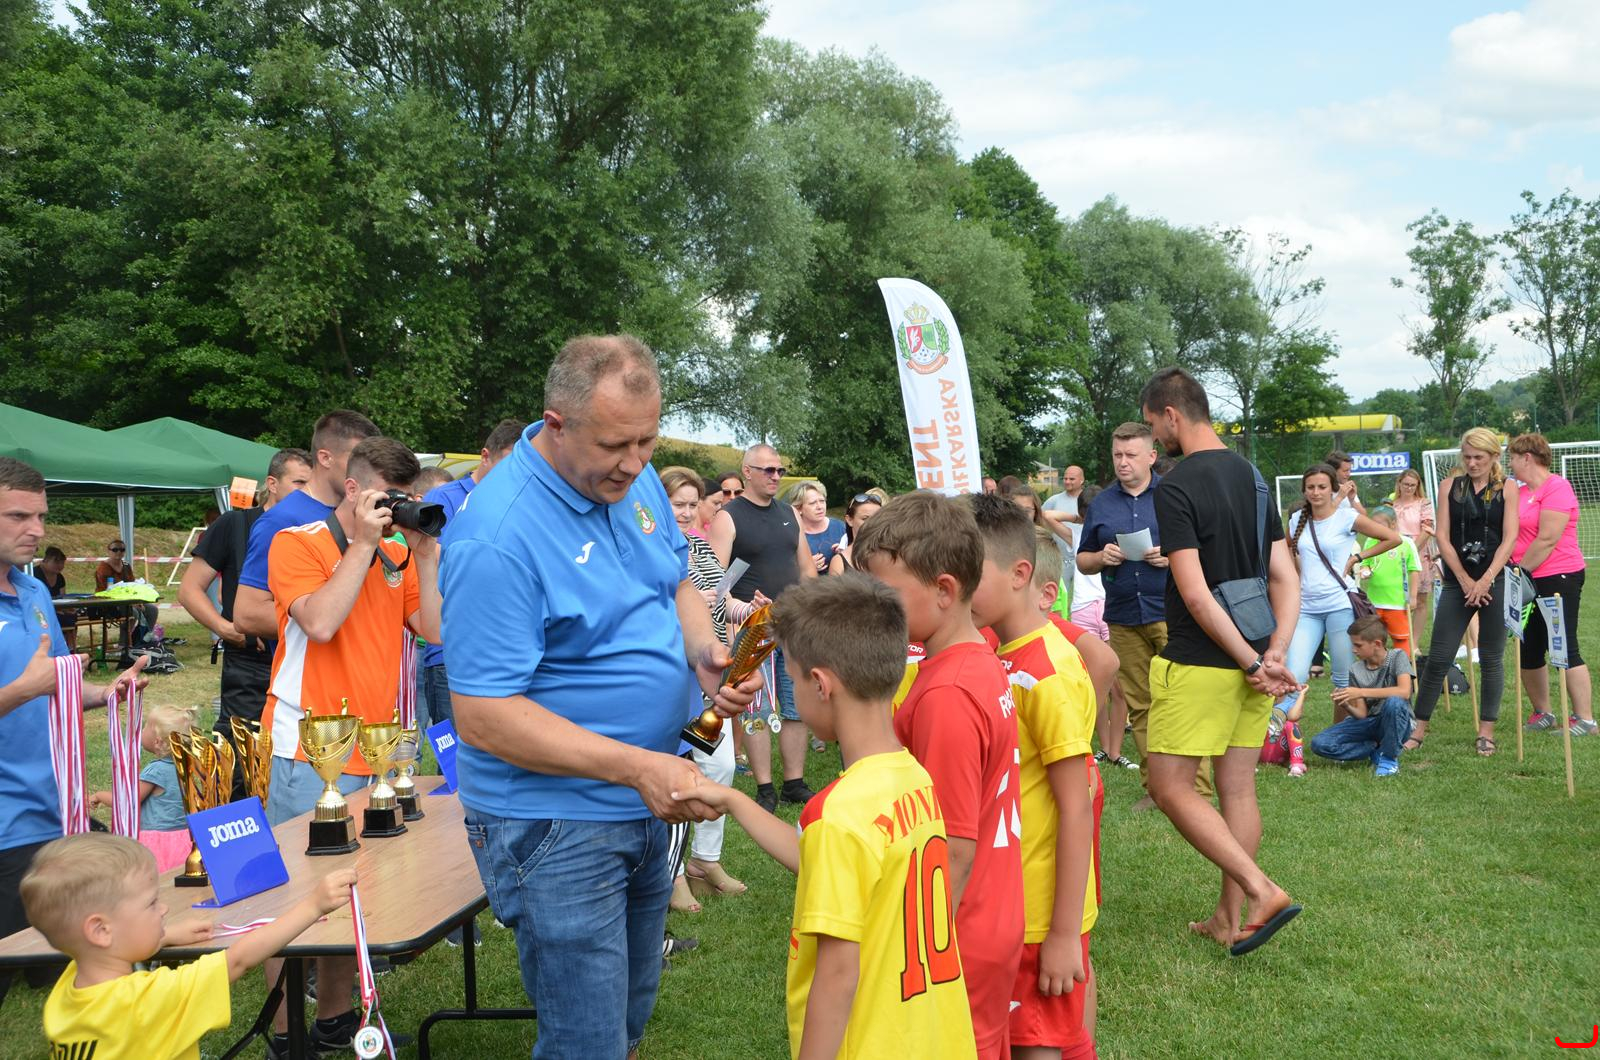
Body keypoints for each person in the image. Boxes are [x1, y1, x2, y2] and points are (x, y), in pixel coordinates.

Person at [440, 335, 759, 1059]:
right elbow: (483, 717)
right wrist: (638, 768)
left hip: (645, 797)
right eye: (616, 444)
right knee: (586, 1041)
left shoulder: (629, 480)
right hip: (556, 821)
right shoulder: (497, 536)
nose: (636, 463)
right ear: (556, 424)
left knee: (628, 1019)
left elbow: (676, 578)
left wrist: (704, 655)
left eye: (648, 441)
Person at [671, 574, 978, 1058]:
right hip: (929, 1037)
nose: (794, 689)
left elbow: (837, 976)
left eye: (793, 679)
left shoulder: (839, 815)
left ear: (819, 685)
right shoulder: (913, 776)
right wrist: (732, 799)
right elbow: (819, 861)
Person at [257, 436, 441, 1058]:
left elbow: (435, 630)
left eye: (405, 500)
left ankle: (335, 1017)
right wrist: (362, 545)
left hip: (375, 745)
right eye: (389, 498)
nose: (396, 510)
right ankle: (288, 1032)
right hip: (310, 746)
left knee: (348, 886)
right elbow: (320, 622)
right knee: (296, 893)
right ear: (355, 489)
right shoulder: (298, 542)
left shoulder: (397, 551)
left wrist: (426, 555)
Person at [853, 491, 1023, 1060]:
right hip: (996, 909)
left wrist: (918, 954)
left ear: (945, 590)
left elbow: (952, 847)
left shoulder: (947, 693)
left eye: (885, 595)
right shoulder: (978, 659)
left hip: (958, 933)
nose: (873, 608)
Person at [1139, 367, 1302, 956]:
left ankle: (1261, 891)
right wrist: (1272, 650)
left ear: (1172, 415)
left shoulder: (1175, 486)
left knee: (1169, 786)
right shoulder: (1253, 477)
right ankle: (1228, 919)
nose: (1155, 439)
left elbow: (1196, 595)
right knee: (1237, 789)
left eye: (1153, 426)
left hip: (1202, 662)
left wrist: (1254, 663)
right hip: (1254, 655)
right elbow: (1285, 577)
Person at [0, 456, 149, 1006]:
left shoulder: (35, 592)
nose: (36, 530)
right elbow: (33, 686)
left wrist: (109, 693)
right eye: (19, 516)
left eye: (40, 516)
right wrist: (23, 689)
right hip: (5, 827)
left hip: (58, 814)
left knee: (69, 978)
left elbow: (58, 686)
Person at [21, 832, 357, 1060]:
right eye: (151, 904)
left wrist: (163, 935)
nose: (163, 909)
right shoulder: (148, 1001)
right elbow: (238, 960)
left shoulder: (67, 991)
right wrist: (313, 905)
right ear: (101, 930)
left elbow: (103, 952)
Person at [967, 496, 1101, 1059]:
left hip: (1041, 913)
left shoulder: (1049, 671)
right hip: (1008, 900)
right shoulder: (1002, 652)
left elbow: (1076, 805)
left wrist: (1064, 933)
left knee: (1038, 1044)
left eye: (969, 573)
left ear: (1020, 575)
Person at [660, 466, 756, 912]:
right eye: (676, 503)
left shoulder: (699, 546)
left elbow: (721, 597)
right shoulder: (649, 546)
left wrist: (747, 610)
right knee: (677, 774)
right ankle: (672, 875)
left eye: (690, 503)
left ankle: (705, 859)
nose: (684, 511)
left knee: (718, 766)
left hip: (710, 676)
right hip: (669, 677)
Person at [178, 447, 312, 750]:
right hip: (251, 663)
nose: (307, 492)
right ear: (272, 483)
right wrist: (225, 629)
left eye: (311, 484)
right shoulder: (235, 524)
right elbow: (189, 590)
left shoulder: (316, 530)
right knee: (245, 757)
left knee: (300, 752)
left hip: (305, 660)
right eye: (299, 483)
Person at [709, 442, 817, 813]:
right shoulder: (729, 517)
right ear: (748, 472)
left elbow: (807, 568)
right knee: (755, 708)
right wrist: (740, 613)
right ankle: (765, 787)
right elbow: (715, 582)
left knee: (796, 704)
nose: (776, 476)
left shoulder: (789, 512)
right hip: (751, 627)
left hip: (792, 624)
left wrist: (808, 606)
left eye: (780, 470)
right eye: (768, 470)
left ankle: (794, 782)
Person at [1076, 422, 1181, 797]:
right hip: (1122, 616)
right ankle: (1157, 790)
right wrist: (1100, 557)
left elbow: (1201, 550)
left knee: (1180, 701)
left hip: (1171, 614)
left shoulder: (1172, 494)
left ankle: (1193, 789)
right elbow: (1082, 560)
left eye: (1131, 455)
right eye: (1117, 455)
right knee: (1140, 705)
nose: (1123, 462)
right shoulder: (1102, 503)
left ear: (1151, 456)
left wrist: (1170, 557)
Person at [1410, 428, 1521, 757]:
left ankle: (1486, 731)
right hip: (1457, 583)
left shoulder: (1508, 488)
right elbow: (1442, 537)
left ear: (1494, 457)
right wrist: (1464, 579)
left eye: (1479, 457)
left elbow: (1509, 538)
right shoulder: (1450, 486)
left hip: (1495, 580)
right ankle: (1418, 728)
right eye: (1467, 457)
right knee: (1439, 657)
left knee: (1491, 658)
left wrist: (1485, 580)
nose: (1472, 463)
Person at [230, 410, 381, 640]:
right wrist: (331, 619)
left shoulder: (364, 513)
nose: (366, 471)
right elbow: (247, 615)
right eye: (356, 460)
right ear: (325, 458)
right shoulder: (281, 519)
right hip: (312, 661)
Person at [417, 419, 527, 732]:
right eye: (509, 462)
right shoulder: (444, 498)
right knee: (454, 756)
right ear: (485, 456)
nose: (515, 473)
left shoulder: (522, 503)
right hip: (449, 655)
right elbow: (432, 555)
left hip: (503, 655)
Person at [1278, 465, 1400, 725]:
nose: (1316, 492)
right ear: (1304, 490)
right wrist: (1291, 576)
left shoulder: (1346, 517)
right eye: (1310, 487)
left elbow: (1392, 538)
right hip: (1306, 608)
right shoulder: (1297, 518)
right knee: (1293, 675)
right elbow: (1282, 548)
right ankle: (1286, 739)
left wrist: (1358, 557)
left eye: (1322, 487)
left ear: (1333, 489)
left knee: (1343, 678)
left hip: (1340, 606)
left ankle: (1339, 734)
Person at [1508, 433, 1595, 735]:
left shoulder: (1557, 487)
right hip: (1525, 579)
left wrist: (1520, 572)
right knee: (1528, 647)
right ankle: (1543, 712)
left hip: (1558, 576)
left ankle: (1585, 719)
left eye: (1512, 458)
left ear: (1527, 458)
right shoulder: (1518, 492)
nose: (1510, 464)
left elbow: (1547, 538)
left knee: (1564, 646)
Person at [87, 704, 199, 873]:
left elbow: (127, 802)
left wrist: (99, 796)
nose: (141, 730)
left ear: (157, 742)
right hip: (184, 838)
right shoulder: (184, 766)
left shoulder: (156, 770)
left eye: (146, 726)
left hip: (158, 842)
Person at [1309, 614, 1415, 776]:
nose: (1353, 650)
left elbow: (1404, 691)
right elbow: (1362, 714)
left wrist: (1360, 692)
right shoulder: (1355, 669)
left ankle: (1389, 758)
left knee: (1394, 702)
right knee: (1319, 743)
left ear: (1377, 644)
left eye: (1358, 645)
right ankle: (1373, 749)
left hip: (1398, 722)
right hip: (1370, 722)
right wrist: (1346, 704)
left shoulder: (1397, 657)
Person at [1357, 507, 1421, 657]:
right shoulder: (1370, 541)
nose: (1375, 529)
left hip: (1397, 603)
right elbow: (1365, 562)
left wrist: (1413, 597)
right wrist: (1365, 570)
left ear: (1393, 524)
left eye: (1379, 525)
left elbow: (1414, 570)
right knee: (1374, 639)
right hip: (1374, 602)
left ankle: (1403, 666)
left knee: (1400, 638)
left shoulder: (1406, 543)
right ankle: (1377, 666)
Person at [1392, 468, 1436, 642]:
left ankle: (1414, 642)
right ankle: (1400, 638)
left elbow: (1427, 528)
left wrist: (1413, 548)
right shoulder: (1391, 504)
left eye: (1413, 485)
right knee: (1397, 598)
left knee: (1420, 599)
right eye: (1406, 484)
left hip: (1419, 551)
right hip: (1395, 550)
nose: (1409, 488)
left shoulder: (1424, 503)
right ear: (1399, 484)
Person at [94, 538, 159, 643]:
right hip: (109, 603)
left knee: (152, 609)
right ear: (108, 551)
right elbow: (106, 591)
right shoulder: (103, 568)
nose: (119, 552)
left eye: (122, 549)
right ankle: (124, 643)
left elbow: (132, 586)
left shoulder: (126, 566)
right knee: (132, 612)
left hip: (129, 601)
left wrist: (138, 601)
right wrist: (131, 603)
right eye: (115, 549)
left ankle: (144, 639)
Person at [787, 480, 846, 577]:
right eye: (812, 503)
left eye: (822, 501)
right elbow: (781, 569)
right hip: (807, 585)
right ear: (798, 508)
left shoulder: (840, 527)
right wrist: (805, 567)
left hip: (839, 585)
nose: (819, 507)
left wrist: (844, 553)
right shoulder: (791, 533)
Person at [828, 492, 884, 575]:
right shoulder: (839, 563)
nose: (872, 523)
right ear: (849, 520)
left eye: (877, 518)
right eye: (865, 519)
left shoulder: (894, 554)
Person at [38, 546, 77, 649]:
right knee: (61, 619)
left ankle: (70, 647)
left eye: (62, 563)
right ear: (46, 560)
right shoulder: (35, 574)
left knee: (72, 616)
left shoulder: (60, 577)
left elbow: (63, 598)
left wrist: (67, 609)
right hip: (41, 613)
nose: (60, 565)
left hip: (58, 611)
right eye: (56, 562)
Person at [1324, 449, 1366, 514]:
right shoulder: (1321, 490)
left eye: (1350, 470)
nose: (1349, 474)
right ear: (1332, 471)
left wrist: (1352, 500)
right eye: (1345, 471)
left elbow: (1364, 516)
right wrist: (1340, 497)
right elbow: (1323, 515)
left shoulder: (1347, 489)